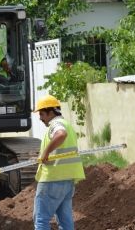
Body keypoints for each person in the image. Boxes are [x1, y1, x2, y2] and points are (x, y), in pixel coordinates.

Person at [32, 94, 85, 230]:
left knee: (41, 219)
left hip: (52, 179)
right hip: (67, 180)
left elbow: (61, 134)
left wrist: (46, 152)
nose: (40, 118)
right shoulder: (67, 124)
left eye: (42, 114)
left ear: (51, 113)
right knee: (65, 220)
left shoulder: (57, 124)